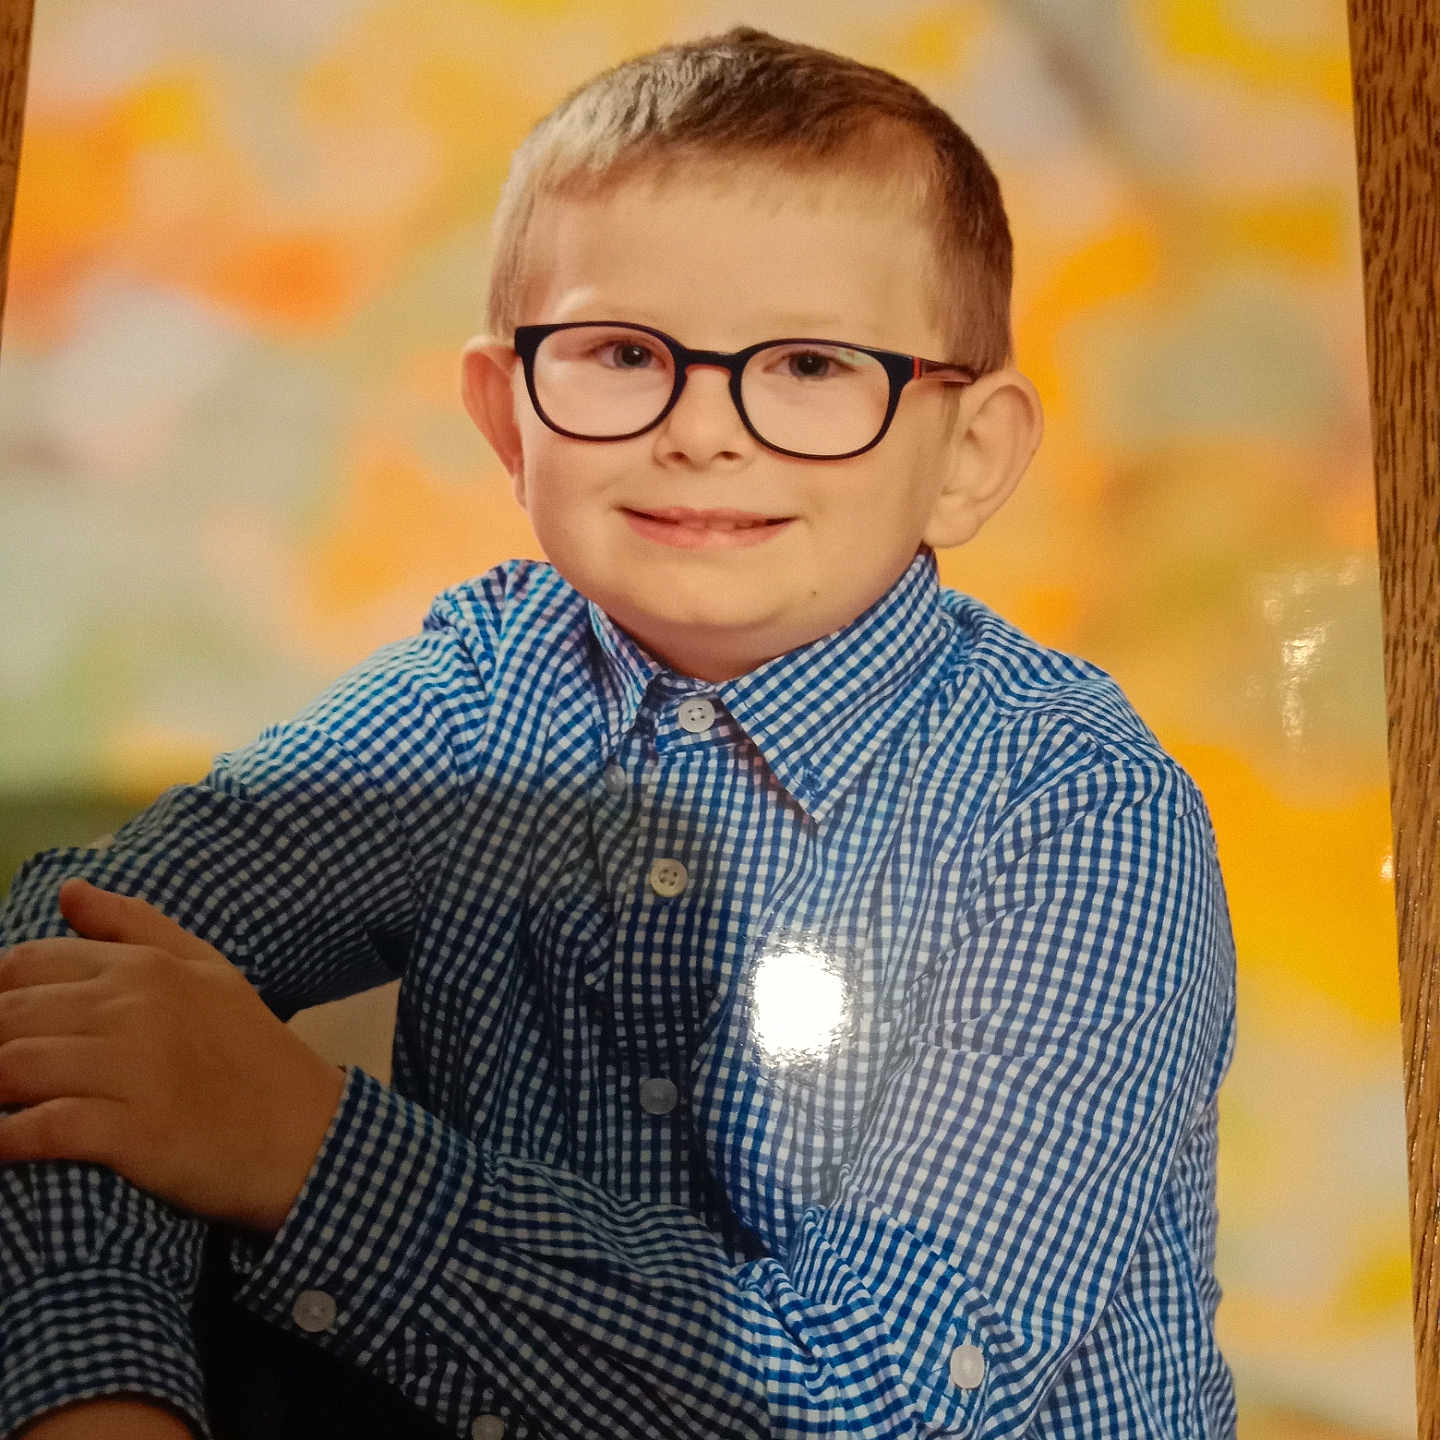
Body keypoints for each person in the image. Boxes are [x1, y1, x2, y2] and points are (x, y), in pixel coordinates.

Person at [0, 25, 1238, 1440]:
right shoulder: (486, 687)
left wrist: (301, 1150)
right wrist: (103, 1395)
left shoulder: (1080, 813)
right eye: (620, 352)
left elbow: (900, 1389)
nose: (704, 430)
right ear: (507, 414)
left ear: (968, 455)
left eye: (816, 367)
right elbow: (68, 962)